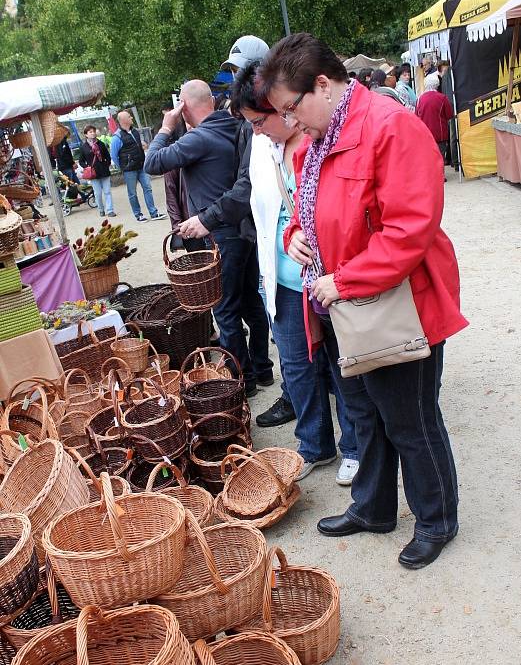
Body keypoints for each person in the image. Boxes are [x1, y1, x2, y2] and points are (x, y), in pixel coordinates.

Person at [259, 32, 468, 569]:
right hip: (344, 307)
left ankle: (437, 518)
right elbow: (304, 213)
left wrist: (343, 280)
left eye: (289, 108)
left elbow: (408, 230)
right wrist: (293, 239)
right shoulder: (321, 134)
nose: (289, 122)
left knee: (411, 418)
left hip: (397, 306)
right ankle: (372, 507)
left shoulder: (390, 125)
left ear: (322, 86)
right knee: (363, 415)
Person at [230, 62, 359, 484]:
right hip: (284, 277)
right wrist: (288, 240)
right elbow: (268, 215)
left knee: (342, 363)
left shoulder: (318, 135)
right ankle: (314, 444)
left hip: (326, 276)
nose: (257, 130)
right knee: (296, 365)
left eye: (259, 120)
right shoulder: (263, 148)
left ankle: (355, 446)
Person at [144, 80, 273, 397]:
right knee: (251, 302)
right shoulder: (233, 126)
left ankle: (242, 381)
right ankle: (263, 369)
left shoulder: (198, 138)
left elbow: (151, 163)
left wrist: (166, 126)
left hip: (219, 235)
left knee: (225, 309)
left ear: (184, 106)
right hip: (242, 228)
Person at [110, 110, 167, 223]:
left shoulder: (135, 131)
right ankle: (138, 215)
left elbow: (137, 144)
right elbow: (114, 155)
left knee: (148, 188)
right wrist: (123, 166)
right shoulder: (117, 137)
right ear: (123, 120)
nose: (131, 118)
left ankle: (153, 212)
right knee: (132, 193)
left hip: (141, 166)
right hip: (129, 169)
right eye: (129, 117)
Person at [416, 73, 454, 163]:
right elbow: (449, 115)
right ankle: (440, 176)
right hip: (440, 133)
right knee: (440, 156)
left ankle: (431, 176)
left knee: (428, 157)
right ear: (437, 84)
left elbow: (417, 116)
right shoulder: (442, 98)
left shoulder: (420, 99)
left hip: (425, 133)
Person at [79, 125, 115, 217]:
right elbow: (81, 161)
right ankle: (101, 209)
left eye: (93, 131)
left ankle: (110, 210)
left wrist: (107, 163)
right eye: (90, 132)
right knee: (97, 193)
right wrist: (87, 167)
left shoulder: (101, 143)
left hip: (104, 171)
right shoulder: (84, 147)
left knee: (107, 192)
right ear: (86, 135)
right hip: (93, 173)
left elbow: (107, 156)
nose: (93, 133)